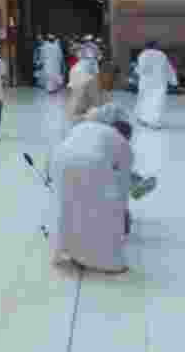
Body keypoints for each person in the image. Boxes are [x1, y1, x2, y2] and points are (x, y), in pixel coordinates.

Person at [48, 104, 141, 274]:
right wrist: (120, 213)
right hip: (92, 164)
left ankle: (65, 252)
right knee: (106, 212)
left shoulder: (84, 127)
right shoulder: (122, 143)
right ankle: (110, 263)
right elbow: (121, 186)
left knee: (68, 208)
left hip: (60, 161)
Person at [134, 41, 178, 129]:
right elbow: (168, 67)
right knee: (158, 102)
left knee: (145, 100)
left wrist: (136, 70)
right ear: (155, 46)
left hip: (146, 83)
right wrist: (173, 80)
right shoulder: (161, 54)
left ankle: (143, 119)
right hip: (159, 82)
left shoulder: (143, 54)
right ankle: (155, 122)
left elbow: (141, 69)